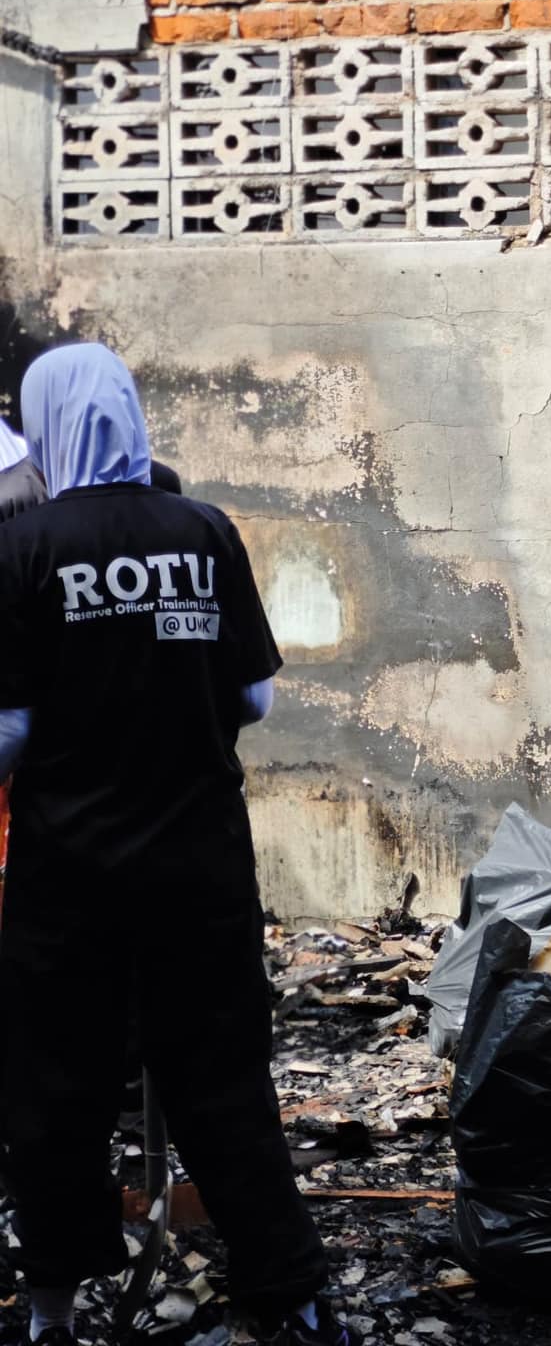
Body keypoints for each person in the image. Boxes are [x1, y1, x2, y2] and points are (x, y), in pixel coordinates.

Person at [0, 343, 346, 1345]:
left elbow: (11, 730)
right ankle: (294, 1296)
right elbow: (255, 698)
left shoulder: (22, 548)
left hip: (71, 875)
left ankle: (52, 1312)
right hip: (199, 860)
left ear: (46, 423)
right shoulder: (204, 529)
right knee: (223, 1080)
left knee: (57, 1091)